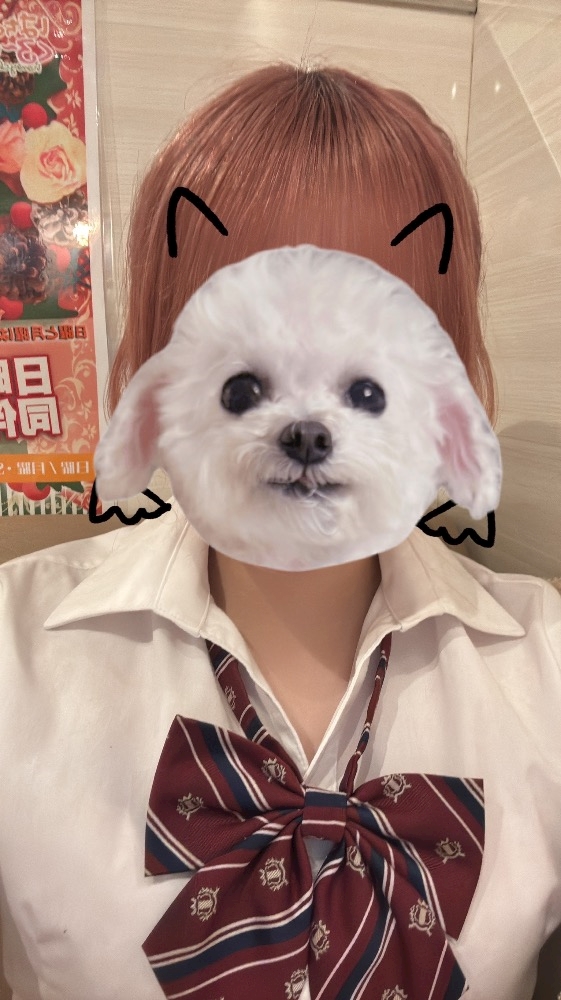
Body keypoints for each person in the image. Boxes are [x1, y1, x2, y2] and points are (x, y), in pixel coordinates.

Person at [0, 63, 559, 1000]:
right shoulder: (15, 653)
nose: (304, 430)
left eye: (366, 383)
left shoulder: (544, 667)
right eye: (245, 382)